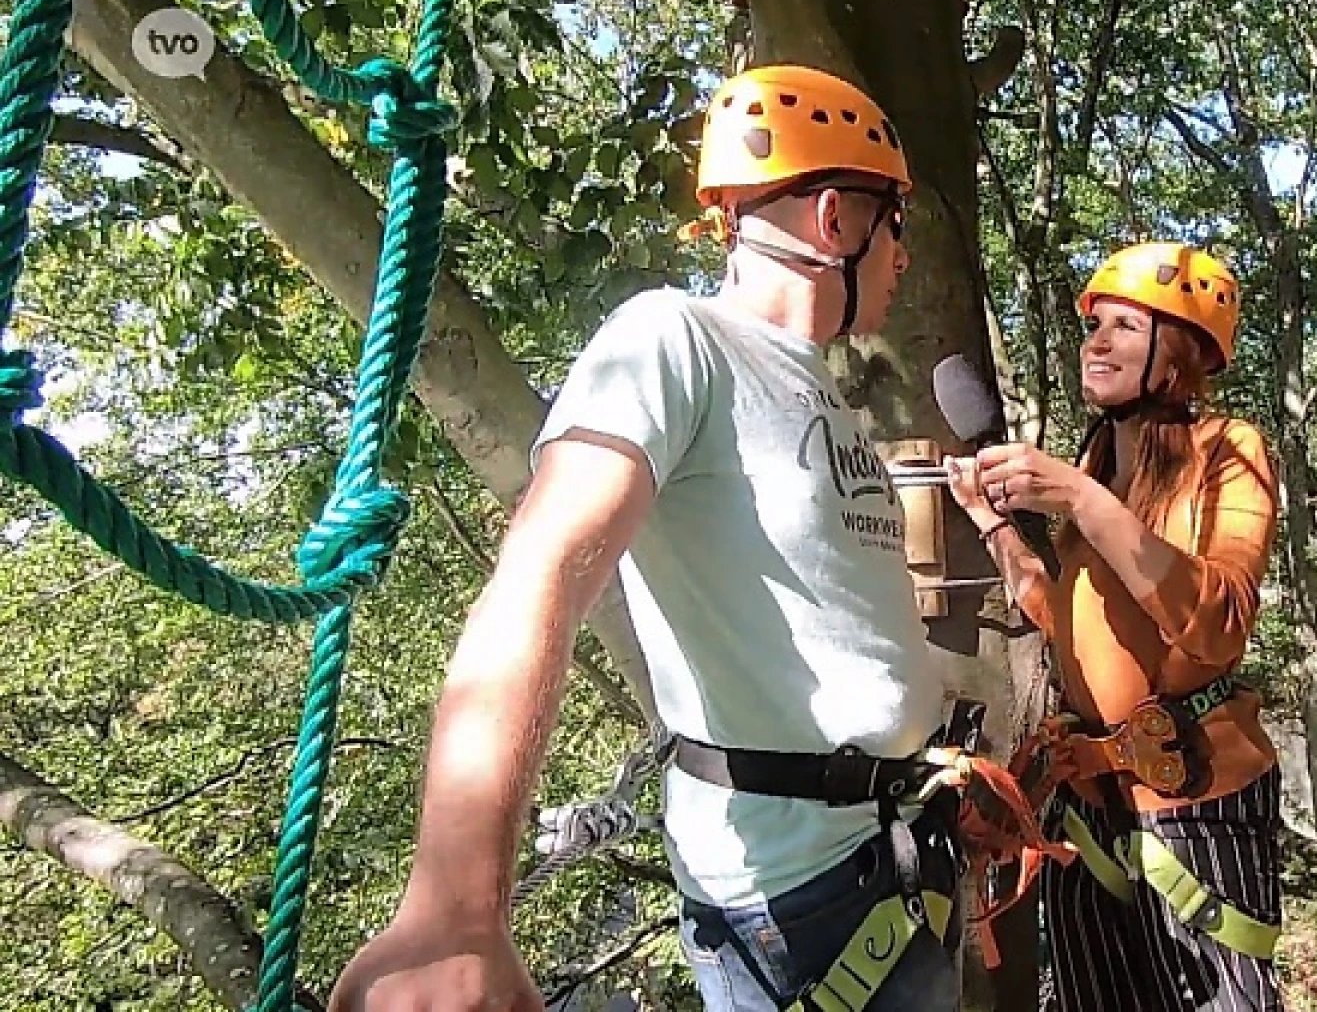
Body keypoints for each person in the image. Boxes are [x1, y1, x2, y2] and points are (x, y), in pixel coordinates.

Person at [330, 64, 967, 1012]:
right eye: (897, 227)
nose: (903, 259)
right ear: (838, 220)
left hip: (897, 853)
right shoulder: (674, 339)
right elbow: (541, 571)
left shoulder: (822, 389)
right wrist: (458, 904)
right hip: (802, 912)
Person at [945, 242, 1286, 1011]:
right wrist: (991, 523)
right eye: (1094, 325)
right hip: (1089, 811)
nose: (1095, 341)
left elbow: (1219, 625)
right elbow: (1062, 622)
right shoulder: (1096, 474)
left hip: (1197, 801)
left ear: (1182, 355)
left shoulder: (1227, 452)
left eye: (1125, 327)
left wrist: (1080, 499)